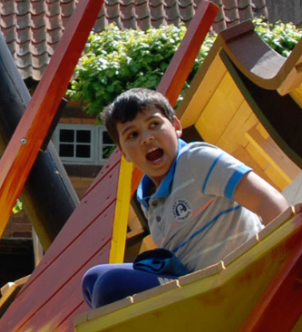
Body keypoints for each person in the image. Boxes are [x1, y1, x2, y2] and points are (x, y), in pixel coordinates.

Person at [81, 88, 288, 309]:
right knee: (92, 279)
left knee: (110, 286)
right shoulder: (149, 199)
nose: (147, 138)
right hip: (197, 283)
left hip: (233, 277)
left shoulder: (196, 160)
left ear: (176, 126)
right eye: (133, 135)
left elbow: (267, 200)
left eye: (154, 124)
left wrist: (284, 260)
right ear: (124, 152)